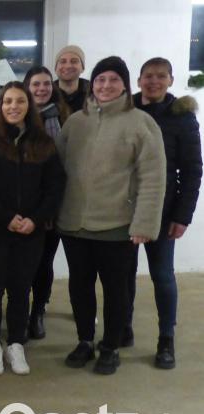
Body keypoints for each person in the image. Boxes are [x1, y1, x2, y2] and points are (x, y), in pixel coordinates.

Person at [58, 56, 166, 376]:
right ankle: (85, 340)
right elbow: (58, 171)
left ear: (125, 84)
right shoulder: (75, 122)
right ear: (92, 84)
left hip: (117, 225)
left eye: (113, 80)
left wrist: (144, 223)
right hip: (74, 224)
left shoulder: (141, 124)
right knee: (80, 287)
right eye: (100, 79)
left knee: (116, 291)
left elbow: (153, 177)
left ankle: (111, 346)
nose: (106, 86)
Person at [0, 81, 65, 376]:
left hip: (30, 231)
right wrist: (6, 217)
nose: (13, 106)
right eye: (8, 101)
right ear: (0, 106)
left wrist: (35, 219)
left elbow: (55, 187)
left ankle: (16, 344)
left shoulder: (44, 145)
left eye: (19, 101)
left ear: (28, 106)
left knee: (21, 290)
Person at [126, 57, 202, 369]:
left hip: (163, 209)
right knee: (122, 276)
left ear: (170, 80)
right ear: (139, 79)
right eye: (148, 76)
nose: (153, 81)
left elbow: (193, 170)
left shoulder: (181, 117)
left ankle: (165, 338)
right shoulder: (125, 109)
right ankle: (122, 328)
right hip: (124, 207)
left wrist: (182, 216)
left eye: (160, 76)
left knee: (162, 275)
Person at [22, 66, 71, 340]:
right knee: (23, 264)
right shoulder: (16, 116)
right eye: (35, 84)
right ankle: (20, 309)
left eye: (45, 84)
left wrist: (50, 207)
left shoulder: (64, 117)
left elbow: (66, 164)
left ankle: (38, 310)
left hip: (52, 204)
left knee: (44, 262)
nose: (41, 89)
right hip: (22, 205)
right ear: (26, 87)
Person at [54, 45, 89, 113]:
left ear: (82, 68)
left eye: (74, 61)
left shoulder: (93, 92)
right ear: (55, 68)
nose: (68, 66)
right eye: (63, 61)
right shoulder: (47, 92)